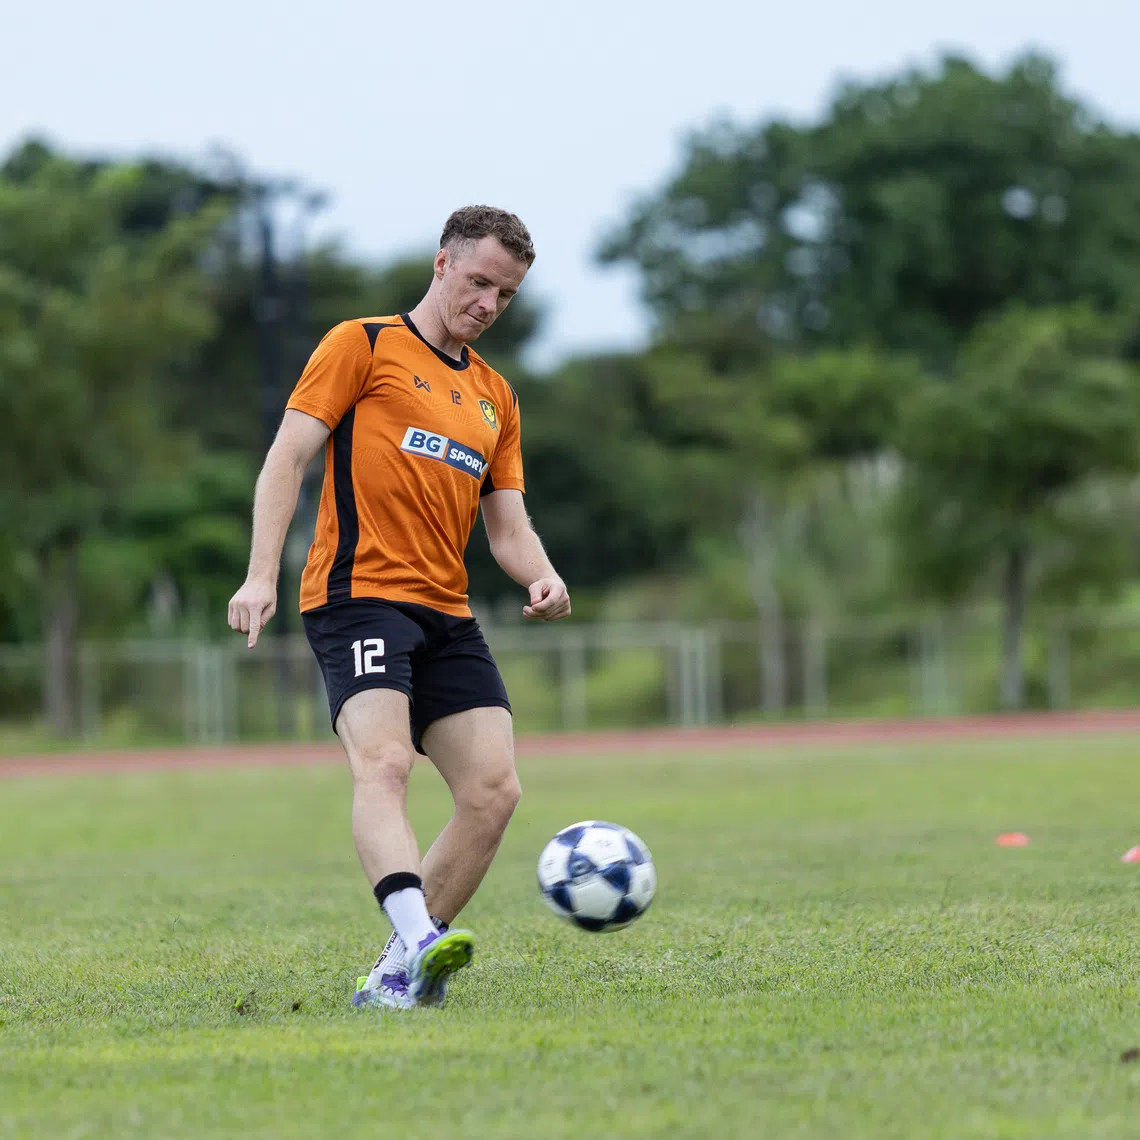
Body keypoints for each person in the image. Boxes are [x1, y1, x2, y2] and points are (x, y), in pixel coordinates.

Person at [226, 206, 571, 1010]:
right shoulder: (364, 344)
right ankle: (420, 935)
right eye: (480, 282)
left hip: (445, 611)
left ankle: (395, 970)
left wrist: (542, 576)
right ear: (442, 263)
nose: (489, 304)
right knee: (382, 764)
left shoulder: (496, 398)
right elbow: (288, 458)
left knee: (495, 792)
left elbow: (508, 526)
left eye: (507, 295)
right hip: (357, 597)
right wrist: (259, 575)